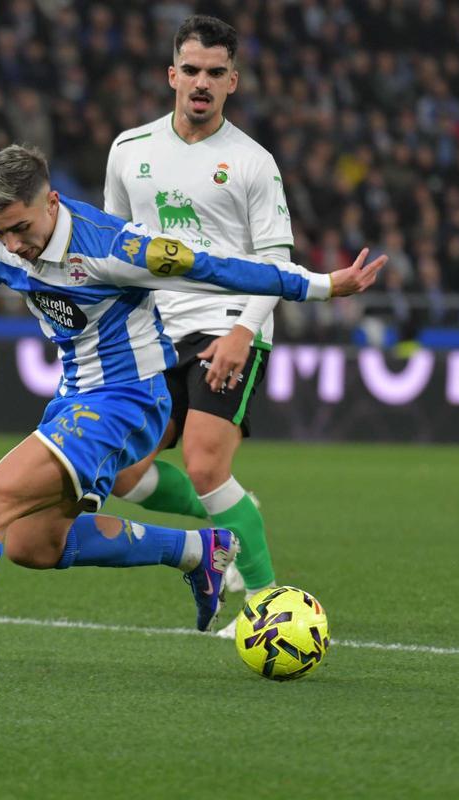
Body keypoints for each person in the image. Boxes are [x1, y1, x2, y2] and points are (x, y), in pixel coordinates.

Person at [0, 144, 385, 680]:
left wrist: (325, 285)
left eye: (21, 228)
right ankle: (196, 551)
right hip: (77, 398)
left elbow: (220, 266)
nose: (13, 245)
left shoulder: (116, 247)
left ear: (50, 201)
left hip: (130, 400)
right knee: (32, 544)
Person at [105, 15, 289, 639]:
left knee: (206, 464)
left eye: (215, 72)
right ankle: (231, 525)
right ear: (171, 75)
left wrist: (243, 331)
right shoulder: (129, 150)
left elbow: (277, 262)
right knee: (123, 472)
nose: (201, 82)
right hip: (152, 331)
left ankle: (268, 609)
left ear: (233, 81)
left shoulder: (253, 163)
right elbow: (115, 249)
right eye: (191, 70)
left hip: (226, 324)